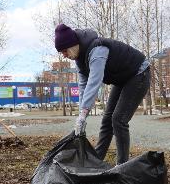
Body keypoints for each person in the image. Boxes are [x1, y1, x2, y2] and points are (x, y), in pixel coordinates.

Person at [54, 24, 150, 165]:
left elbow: (94, 82)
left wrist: (84, 113)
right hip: (122, 79)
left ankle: (122, 166)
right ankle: (96, 161)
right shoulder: (79, 59)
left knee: (118, 120)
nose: (64, 55)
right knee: (107, 120)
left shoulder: (97, 50)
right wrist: (82, 114)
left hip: (138, 73)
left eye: (64, 51)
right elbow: (83, 86)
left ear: (72, 45)